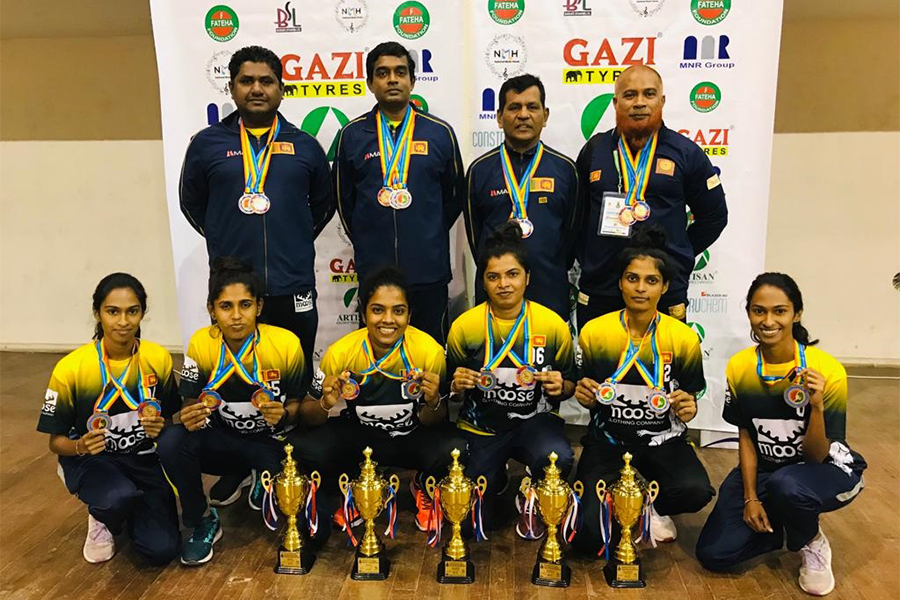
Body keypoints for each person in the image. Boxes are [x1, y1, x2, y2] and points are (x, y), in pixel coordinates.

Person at [696, 273, 866, 596]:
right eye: (759, 311)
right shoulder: (739, 367)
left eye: (780, 311)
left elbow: (817, 455)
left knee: (786, 485)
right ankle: (784, 530)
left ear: (796, 313)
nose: (768, 320)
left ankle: (811, 541)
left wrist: (816, 406)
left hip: (822, 468)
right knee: (714, 554)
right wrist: (750, 498)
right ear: (748, 313)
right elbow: (746, 436)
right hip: (767, 469)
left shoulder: (827, 371)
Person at [157, 257, 314, 566]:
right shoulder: (202, 343)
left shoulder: (285, 343)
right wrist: (190, 415)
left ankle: (261, 475)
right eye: (226, 306)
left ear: (259, 307)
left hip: (273, 444)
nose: (237, 316)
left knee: (309, 523)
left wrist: (284, 414)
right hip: (224, 440)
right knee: (172, 441)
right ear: (211, 310)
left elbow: (299, 405)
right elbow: (190, 404)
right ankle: (203, 519)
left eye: (245, 305)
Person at [572, 227, 713, 555]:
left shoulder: (682, 338)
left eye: (651, 281)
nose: (640, 288)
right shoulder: (595, 332)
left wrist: (688, 407)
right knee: (587, 540)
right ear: (620, 282)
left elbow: (691, 395)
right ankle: (616, 503)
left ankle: (651, 504)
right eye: (632, 278)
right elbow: (590, 393)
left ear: (664, 287)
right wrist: (584, 394)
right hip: (608, 441)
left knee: (695, 491)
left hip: (662, 441)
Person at [293, 265, 466, 532]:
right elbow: (307, 414)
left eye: (398, 311)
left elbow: (436, 420)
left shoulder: (429, 351)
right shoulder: (340, 353)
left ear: (409, 314)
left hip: (410, 436)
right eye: (378, 310)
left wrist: (433, 401)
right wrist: (326, 403)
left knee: (455, 448)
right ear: (364, 312)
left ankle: (424, 484)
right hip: (362, 440)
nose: (388, 320)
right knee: (303, 447)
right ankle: (351, 486)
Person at [36, 273, 180, 565]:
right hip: (92, 461)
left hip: (141, 459)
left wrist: (160, 427)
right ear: (97, 313)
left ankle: (126, 506)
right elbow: (56, 441)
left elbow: (169, 423)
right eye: (113, 311)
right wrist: (81, 447)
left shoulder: (159, 359)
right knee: (116, 498)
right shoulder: (71, 369)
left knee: (161, 551)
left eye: (132, 311)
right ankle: (101, 514)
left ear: (143, 313)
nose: (123, 321)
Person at [447, 221, 576, 535]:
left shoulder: (552, 324)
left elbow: (570, 383)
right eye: (493, 276)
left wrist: (563, 387)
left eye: (512, 274)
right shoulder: (465, 327)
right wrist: (456, 386)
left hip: (535, 423)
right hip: (482, 426)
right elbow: (450, 390)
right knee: (469, 526)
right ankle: (495, 476)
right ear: (484, 281)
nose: (503, 284)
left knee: (556, 458)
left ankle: (532, 492)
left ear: (527, 278)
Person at [575, 64, 727, 327]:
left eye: (649, 94)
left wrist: (675, 254)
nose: (639, 103)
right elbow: (576, 217)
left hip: (663, 291)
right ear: (615, 102)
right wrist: (593, 256)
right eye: (630, 95)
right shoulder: (595, 150)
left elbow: (714, 216)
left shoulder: (685, 152)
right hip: (602, 287)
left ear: (662, 100)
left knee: (663, 366)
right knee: (597, 367)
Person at [333, 41, 464, 344]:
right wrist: (369, 236)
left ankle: (436, 395)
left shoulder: (439, 133)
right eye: (382, 73)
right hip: (374, 271)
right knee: (376, 350)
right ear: (370, 83)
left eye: (400, 72)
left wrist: (427, 229)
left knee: (431, 350)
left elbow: (454, 195)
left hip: (427, 269)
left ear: (412, 81)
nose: (392, 79)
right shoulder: (352, 136)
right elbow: (344, 200)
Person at [463, 74, 580, 320]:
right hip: (495, 298)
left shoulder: (566, 170)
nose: (523, 115)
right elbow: (477, 240)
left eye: (532, 107)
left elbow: (570, 239)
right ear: (499, 117)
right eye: (514, 107)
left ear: (545, 116)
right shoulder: (479, 170)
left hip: (549, 293)